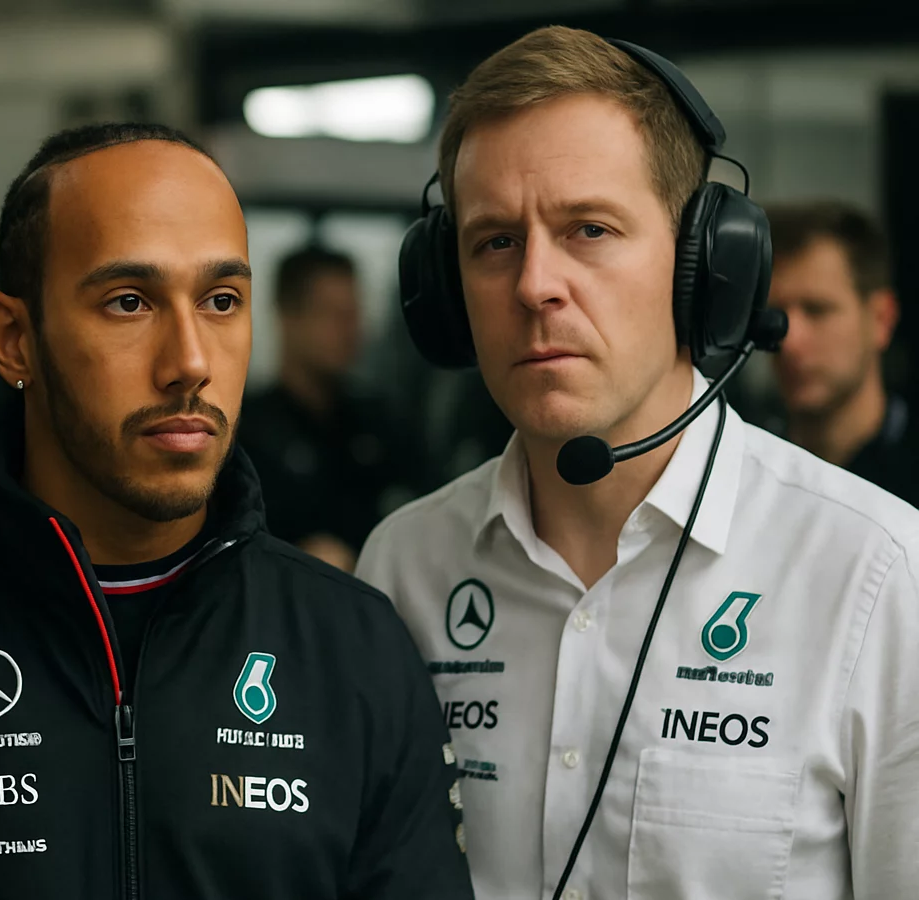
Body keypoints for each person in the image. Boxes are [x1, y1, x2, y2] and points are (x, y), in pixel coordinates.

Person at [0, 123, 473, 900]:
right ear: (13, 339)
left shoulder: (356, 651)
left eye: (221, 301)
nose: (190, 361)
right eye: (129, 302)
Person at [358, 26, 919, 900]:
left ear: (705, 265)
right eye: (494, 241)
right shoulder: (403, 567)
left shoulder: (876, 575)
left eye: (589, 228)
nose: (534, 284)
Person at [239, 246, 419, 572]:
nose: (351, 330)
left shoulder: (381, 422)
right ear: (288, 317)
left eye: (353, 314)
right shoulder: (247, 434)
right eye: (332, 314)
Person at [763, 200, 918, 505]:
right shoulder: (747, 473)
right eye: (774, 315)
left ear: (881, 319)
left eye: (817, 310)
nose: (788, 340)